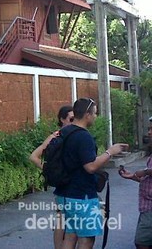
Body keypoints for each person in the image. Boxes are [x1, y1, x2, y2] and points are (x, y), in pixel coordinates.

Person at [54, 97, 129, 249]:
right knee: (86, 239)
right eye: (95, 113)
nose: (96, 116)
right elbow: (90, 167)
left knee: (70, 236)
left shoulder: (64, 132)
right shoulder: (83, 136)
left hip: (65, 194)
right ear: (87, 114)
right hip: (83, 197)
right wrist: (110, 152)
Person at [29, 104, 74, 249]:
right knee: (67, 221)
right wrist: (50, 170)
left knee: (62, 219)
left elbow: (34, 157)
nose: (73, 122)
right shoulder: (58, 137)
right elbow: (34, 157)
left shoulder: (60, 136)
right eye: (71, 119)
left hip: (63, 187)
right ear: (62, 119)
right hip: (69, 186)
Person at [118, 124, 152, 249]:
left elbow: (149, 172)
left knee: (142, 242)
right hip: (146, 207)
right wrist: (132, 176)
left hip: (150, 207)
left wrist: (145, 171)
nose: (149, 132)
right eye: (148, 129)